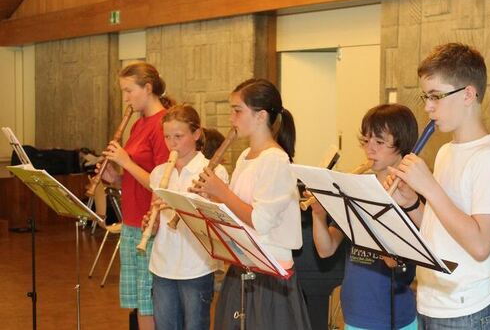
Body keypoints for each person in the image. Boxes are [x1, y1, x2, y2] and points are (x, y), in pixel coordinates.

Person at [387, 43, 490, 329]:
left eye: (436, 96)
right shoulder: (445, 151)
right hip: (433, 300)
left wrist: (430, 187)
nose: (427, 107)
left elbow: (481, 245)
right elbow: (439, 230)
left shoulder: (489, 159)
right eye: (425, 97)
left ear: (468, 94)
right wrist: (411, 204)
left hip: (467, 309)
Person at [191, 78, 312, 330]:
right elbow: (235, 210)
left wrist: (221, 191)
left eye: (237, 110)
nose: (231, 118)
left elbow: (259, 220)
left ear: (260, 116)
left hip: (270, 273)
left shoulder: (276, 160)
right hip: (243, 263)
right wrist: (209, 198)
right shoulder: (246, 156)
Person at [311, 104, 419, 330]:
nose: (369, 150)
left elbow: (398, 262)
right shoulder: (356, 188)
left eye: (379, 142)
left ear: (402, 144)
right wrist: (319, 214)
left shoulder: (411, 197)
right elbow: (326, 248)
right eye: (366, 140)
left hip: (393, 315)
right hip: (355, 310)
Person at [99, 61, 174, 330]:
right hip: (131, 221)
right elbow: (134, 179)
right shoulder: (138, 125)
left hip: (151, 224)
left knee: (148, 301)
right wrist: (116, 178)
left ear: (148, 88)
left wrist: (126, 162)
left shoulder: (163, 125)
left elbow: (163, 185)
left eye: (129, 91)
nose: (126, 98)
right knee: (139, 303)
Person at [141, 104, 229, 330]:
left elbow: (218, 223)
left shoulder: (213, 173)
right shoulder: (159, 173)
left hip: (196, 265)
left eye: (178, 136)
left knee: (195, 326)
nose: (172, 143)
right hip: (162, 264)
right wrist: (151, 223)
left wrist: (186, 206)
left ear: (196, 134)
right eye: (167, 136)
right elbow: (156, 221)